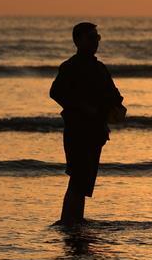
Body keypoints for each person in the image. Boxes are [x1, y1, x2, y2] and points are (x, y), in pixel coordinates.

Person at [50, 22, 125, 226]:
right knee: (77, 178)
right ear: (78, 41)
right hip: (77, 130)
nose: (95, 42)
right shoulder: (70, 67)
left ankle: (75, 220)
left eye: (97, 38)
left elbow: (114, 95)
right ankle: (68, 221)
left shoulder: (99, 68)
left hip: (95, 132)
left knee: (85, 181)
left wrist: (116, 108)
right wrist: (83, 106)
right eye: (91, 38)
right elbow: (55, 92)